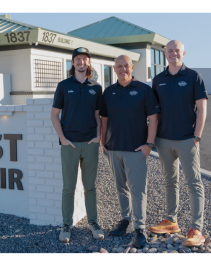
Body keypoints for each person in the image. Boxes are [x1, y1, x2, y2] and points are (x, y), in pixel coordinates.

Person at [146, 40, 208, 247]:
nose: (173, 53)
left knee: (193, 183)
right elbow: (153, 111)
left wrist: (197, 136)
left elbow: (202, 108)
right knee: (169, 181)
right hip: (163, 140)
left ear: (183, 53)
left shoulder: (193, 77)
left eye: (177, 51)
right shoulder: (158, 80)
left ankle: (196, 228)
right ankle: (171, 220)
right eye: (170, 50)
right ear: (165, 54)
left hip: (186, 139)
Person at [101, 55, 159, 248]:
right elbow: (104, 119)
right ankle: (125, 220)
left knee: (138, 190)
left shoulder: (144, 90)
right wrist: (103, 142)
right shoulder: (108, 92)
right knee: (121, 188)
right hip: (113, 148)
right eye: (119, 66)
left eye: (126, 66)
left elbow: (153, 118)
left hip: (136, 149)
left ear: (132, 67)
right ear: (114, 69)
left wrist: (149, 145)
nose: (123, 69)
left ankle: (139, 228)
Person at [50, 47, 104, 243]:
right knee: (68, 188)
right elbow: (54, 115)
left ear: (89, 63)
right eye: (78, 59)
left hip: (90, 143)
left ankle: (93, 223)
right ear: (72, 63)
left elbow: (98, 116)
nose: (82, 62)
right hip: (69, 144)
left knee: (90, 187)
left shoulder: (97, 88)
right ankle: (66, 225)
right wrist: (63, 139)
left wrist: (98, 136)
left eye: (85, 59)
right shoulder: (64, 86)